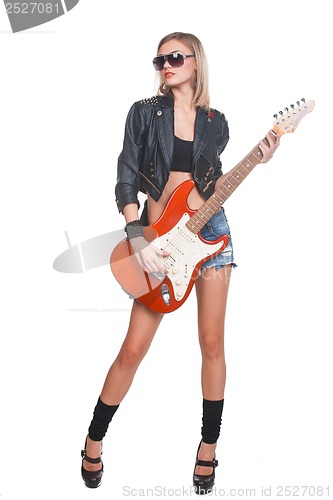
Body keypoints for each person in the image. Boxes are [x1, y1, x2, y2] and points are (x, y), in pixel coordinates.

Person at [80, 32, 280, 493]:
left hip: (211, 237)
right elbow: (126, 175)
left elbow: (209, 187)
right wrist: (137, 235)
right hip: (156, 241)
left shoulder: (217, 122)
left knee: (212, 343)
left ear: (195, 62)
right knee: (133, 349)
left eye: (175, 57)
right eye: (160, 59)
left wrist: (258, 161)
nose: (165, 65)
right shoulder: (143, 113)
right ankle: (94, 439)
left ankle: (208, 448)